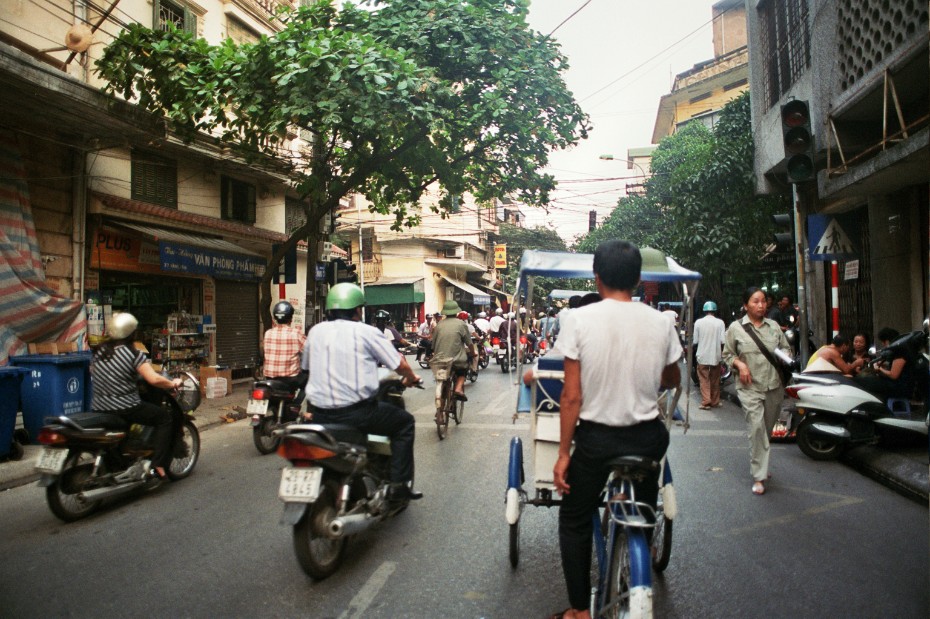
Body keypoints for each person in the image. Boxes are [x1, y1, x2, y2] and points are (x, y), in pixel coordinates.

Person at [550, 240, 680, 619]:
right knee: (646, 484)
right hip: (646, 436)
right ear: (638, 280)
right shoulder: (661, 321)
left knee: (574, 518)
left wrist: (562, 455)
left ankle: (578, 611)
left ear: (597, 276)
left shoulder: (578, 320)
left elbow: (571, 397)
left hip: (596, 441)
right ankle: (644, 527)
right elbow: (672, 378)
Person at [302, 283, 423, 501]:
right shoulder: (367, 332)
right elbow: (399, 364)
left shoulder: (315, 332)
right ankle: (399, 485)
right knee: (405, 423)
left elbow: (307, 369)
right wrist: (411, 378)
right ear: (358, 310)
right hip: (357, 414)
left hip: (319, 413)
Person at [90, 312, 181, 480]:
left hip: (100, 407)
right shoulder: (133, 354)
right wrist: (172, 383)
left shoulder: (99, 352)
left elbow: (97, 374)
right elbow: (153, 378)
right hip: (125, 407)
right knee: (164, 418)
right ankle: (158, 464)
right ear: (132, 333)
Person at [723, 287, 790, 496]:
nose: (761, 305)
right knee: (756, 428)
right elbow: (727, 354)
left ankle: (761, 461)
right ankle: (759, 476)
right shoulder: (735, 328)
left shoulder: (774, 326)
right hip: (749, 387)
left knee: (767, 428)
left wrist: (784, 356)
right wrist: (740, 365)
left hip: (773, 385)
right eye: (755, 301)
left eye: (763, 301)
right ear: (745, 305)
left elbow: (786, 349)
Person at [263, 301, 308, 416]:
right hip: (289, 379)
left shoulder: (268, 333)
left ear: (275, 318)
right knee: (309, 381)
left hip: (269, 377)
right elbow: (310, 350)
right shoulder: (295, 333)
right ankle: (296, 406)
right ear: (291, 318)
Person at [855, 327, 916, 400]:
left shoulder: (900, 353)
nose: (883, 344)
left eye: (883, 342)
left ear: (887, 341)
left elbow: (893, 375)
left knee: (861, 381)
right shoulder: (898, 351)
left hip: (900, 388)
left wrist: (880, 369)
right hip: (897, 385)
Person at [431, 302, 476, 399]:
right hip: (456, 360)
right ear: (456, 313)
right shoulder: (461, 324)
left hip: (440, 360)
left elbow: (433, 344)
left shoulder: (439, 325)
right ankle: (458, 388)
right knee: (463, 369)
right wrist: (473, 353)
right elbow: (469, 343)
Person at [693, 300, 726, 409]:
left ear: (705, 310)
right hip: (716, 355)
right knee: (715, 379)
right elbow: (723, 341)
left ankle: (706, 401)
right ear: (714, 310)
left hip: (702, 355)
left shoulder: (698, 322)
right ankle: (715, 401)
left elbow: (695, 341)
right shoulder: (720, 322)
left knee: (704, 379)